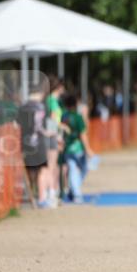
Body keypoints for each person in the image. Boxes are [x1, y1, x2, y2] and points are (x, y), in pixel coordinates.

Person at [59, 93, 95, 203]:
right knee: (82, 169)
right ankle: (77, 193)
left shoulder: (63, 116)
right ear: (75, 104)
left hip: (67, 148)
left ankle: (73, 190)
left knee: (72, 169)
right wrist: (88, 149)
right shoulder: (78, 117)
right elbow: (83, 134)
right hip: (78, 148)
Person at [16, 88, 50, 207]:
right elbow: (42, 127)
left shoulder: (22, 108)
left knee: (30, 170)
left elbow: (18, 125)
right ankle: (41, 198)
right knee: (41, 171)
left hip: (25, 143)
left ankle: (32, 195)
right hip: (39, 142)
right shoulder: (41, 108)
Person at [44, 78, 65, 207]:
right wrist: (56, 136)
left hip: (54, 133)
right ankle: (50, 195)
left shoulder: (53, 100)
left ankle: (52, 193)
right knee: (51, 166)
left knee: (53, 166)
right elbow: (52, 118)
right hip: (52, 136)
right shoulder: (52, 100)